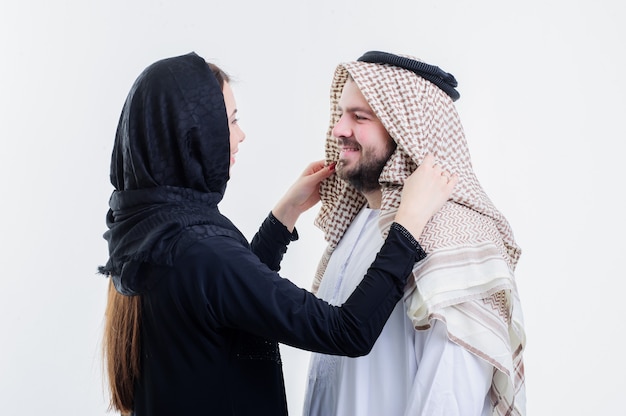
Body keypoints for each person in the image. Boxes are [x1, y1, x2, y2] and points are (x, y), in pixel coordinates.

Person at [98, 52, 457, 416]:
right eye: (231, 121)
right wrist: (408, 225)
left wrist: (285, 214)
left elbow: (230, 300)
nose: (240, 135)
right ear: (194, 136)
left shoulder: (149, 233)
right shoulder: (200, 250)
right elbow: (348, 330)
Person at [303, 51, 526, 416]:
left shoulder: (454, 235)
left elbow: (448, 399)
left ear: (408, 130)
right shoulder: (357, 224)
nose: (339, 130)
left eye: (359, 117)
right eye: (341, 114)